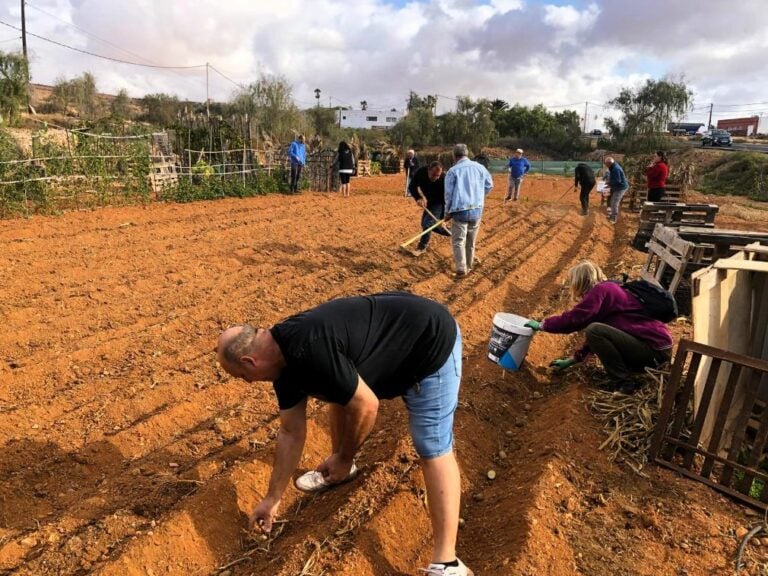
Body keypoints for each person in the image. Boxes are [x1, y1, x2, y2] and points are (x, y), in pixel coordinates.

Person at [217, 292, 473, 576]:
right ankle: (342, 470)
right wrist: (272, 499)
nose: (248, 383)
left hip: (428, 342)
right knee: (337, 390)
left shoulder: (309, 346)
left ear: (250, 361)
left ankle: (447, 562)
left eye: (242, 376)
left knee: (431, 444)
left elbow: (366, 406)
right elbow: (290, 431)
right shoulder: (283, 365)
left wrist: (344, 455)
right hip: (392, 341)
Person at [524, 261, 672, 394]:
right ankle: (628, 374)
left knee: (594, 330)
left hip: (654, 351)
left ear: (581, 281)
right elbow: (600, 336)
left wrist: (542, 325)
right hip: (654, 349)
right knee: (595, 330)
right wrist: (574, 359)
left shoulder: (601, 291)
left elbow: (575, 319)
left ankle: (624, 384)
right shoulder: (610, 289)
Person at [444, 143, 494, 278]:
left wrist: (447, 212)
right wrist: (478, 196)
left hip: (459, 211)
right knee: (471, 241)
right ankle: (469, 266)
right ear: (467, 154)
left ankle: (461, 268)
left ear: (454, 156)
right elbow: (489, 185)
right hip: (477, 210)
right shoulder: (480, 168)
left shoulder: (453, 171)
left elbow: (448, 194)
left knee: (459, 241)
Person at [408, 161, 451, 256]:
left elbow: (447, 199)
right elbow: (412, 186)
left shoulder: (444, 179)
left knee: (427, 224)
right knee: (427, 225)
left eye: (437, 175)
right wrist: (418, 198)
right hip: (430, 201)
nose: (435, 178)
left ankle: (421, 248)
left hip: (440, 202)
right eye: (433, 175)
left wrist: (443, 217)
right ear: (428, 170)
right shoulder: (421, 172)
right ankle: (453, 232)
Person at [604, 156, 629, 224]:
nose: (605, 165)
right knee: (612, 200)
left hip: (620, 188)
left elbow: (617, 181)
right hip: (617, 187)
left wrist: (609, 183)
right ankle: (612, 215)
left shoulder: (616, 169)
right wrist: (609, 183)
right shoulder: (613, 167)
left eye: (606, 164)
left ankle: (613, 218)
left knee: (614, 202)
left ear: (609, 163)